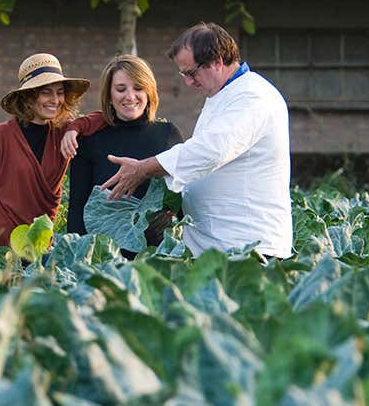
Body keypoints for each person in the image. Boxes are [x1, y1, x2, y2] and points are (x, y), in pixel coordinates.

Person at [100, 22, 292, 258]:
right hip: (219, 245)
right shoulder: (223, 94)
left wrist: (143, 169)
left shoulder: (253, 97)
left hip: (249, 247)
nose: (188, 82)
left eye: (191, 73)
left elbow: (211, 151)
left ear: (218, 61)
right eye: (184, 74)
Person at [0, 53, 108, 250]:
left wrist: (74, 128)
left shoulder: (62, 133)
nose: (55, 100)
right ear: (28, 96)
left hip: (39, 250)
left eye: (59, 92)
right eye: (46, 92)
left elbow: (104, 117)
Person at [62, 54, 183, 249]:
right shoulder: (90, 139)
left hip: (156, 255)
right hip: (105, 257)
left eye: (138, 88)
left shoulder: (168, 134)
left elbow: (183, 200)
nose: (130, 96)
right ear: (109, 95)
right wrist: (80, 255)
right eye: (120, 89)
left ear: (149, 92)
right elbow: (77, 206)